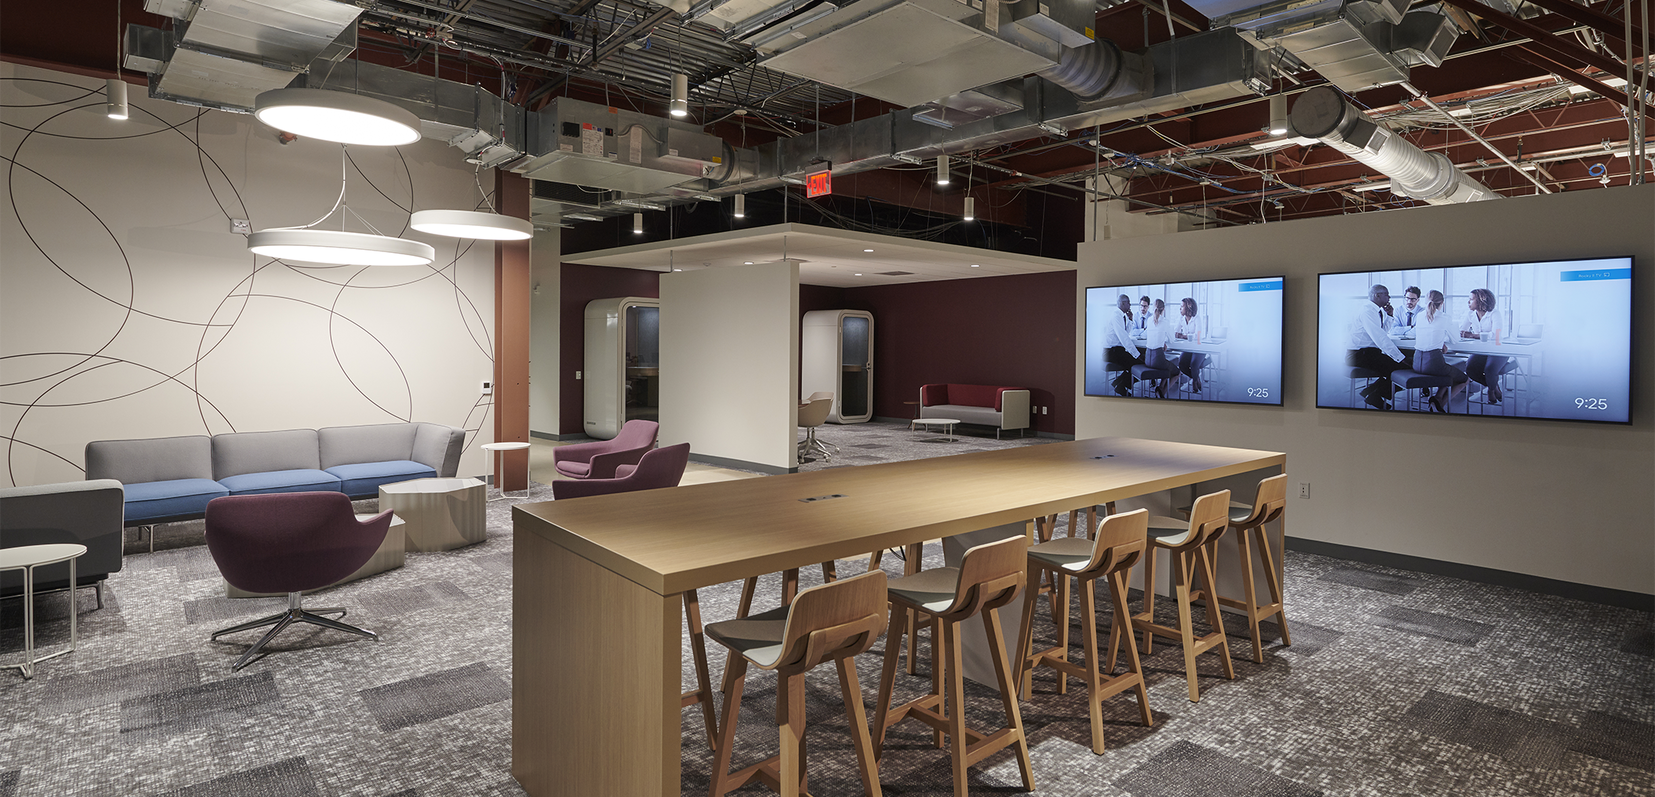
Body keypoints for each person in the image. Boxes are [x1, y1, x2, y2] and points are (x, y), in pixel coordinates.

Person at [1346, 284, 1408, 409]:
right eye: (1386, 294)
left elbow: (1381, 333)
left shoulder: (1373, 310)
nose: (1389, 297)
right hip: (1359, 355)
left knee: (1399, 367)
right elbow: (1380, 338)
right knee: (1403, 369)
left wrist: (1390, 316)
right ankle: (1374, 394)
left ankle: (1371, 392)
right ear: (1377, 295)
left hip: (1366, 353)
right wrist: (1401, 358)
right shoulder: (1368, 312)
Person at [1411, 290, 1468, 412]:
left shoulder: (1419, 316)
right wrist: (1442, 340)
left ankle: (1437, 399)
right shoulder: (1445, 317)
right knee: (1464, 379)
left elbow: (1427, 334)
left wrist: (1440, 341)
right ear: (1442, 303)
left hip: (1416, 362)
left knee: (1448, 372)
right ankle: (1440, 403)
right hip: (1433, 364)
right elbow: (1455, 340)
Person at [1460, 287, 1507, 404]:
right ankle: (1493, 386)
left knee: (1489, 369)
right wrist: (1463, 333)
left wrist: (1472, 335)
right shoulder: (1470, 314)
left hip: (1499, 349)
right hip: (1481, 350)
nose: (1468, 302)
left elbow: (1495, 334)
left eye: (1471, 299)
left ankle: (1490, 391)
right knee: (1470, 369)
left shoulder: (1495, 313)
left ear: (1481, 301)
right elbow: (1462, 330)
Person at [1102, 293, 1141, 396]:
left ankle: (1119, 383)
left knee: (1136, 362)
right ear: (1123, 303)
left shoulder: (1121, 316)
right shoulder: (1116, 316)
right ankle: (1120, 386)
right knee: (1137, 364)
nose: (1130, 305)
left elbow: (1125, 334)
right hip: (1110, 352)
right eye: (1129, 303)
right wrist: (1136, 354)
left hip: (1116, 350)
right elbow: (1123, 338)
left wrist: (1130, 320)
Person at [1143, 299, 1179, 398]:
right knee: (1177, 373)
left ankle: (1160, 389)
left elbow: (1151, 336)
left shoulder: (1149, 320)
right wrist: (1164, 340)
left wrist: (1162, 341)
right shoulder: (1165, 322)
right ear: (1163, 309)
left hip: (1147, 359)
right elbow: (1172, 340)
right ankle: (1162, 392)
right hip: (1158, 360)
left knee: (1167, 366)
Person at [1174, 297, 1207, 394]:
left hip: (1200, 347)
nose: (1180, 308)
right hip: (1188, 348)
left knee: (1193, 365)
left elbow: (1197, 335)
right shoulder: (1181, 318)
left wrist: (1183, 336)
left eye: (1182, 306)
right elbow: (1175, 332)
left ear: (1188, 307)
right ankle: (1196, 379)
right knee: (1181, 365)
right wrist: (1182, 335)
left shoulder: (1197, 318)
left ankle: (1194, 382)